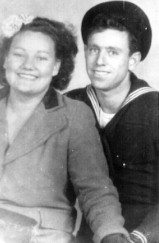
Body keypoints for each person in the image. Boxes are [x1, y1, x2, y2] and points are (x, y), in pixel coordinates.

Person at [0, 14, 129, 243]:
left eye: (41, 58)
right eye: (19, 54)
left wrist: (111, 233)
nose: (27, 66)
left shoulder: (75, 115)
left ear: (56, 67)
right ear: (5, 60)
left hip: (40, 236)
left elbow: (95, 190)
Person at [67, 1, 159, 243]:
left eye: (113, 52)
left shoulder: (155, 109)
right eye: (93, 49)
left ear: (133, 60)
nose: (99, 61)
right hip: (90, 234)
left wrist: (140, 237)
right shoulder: (71, 104)